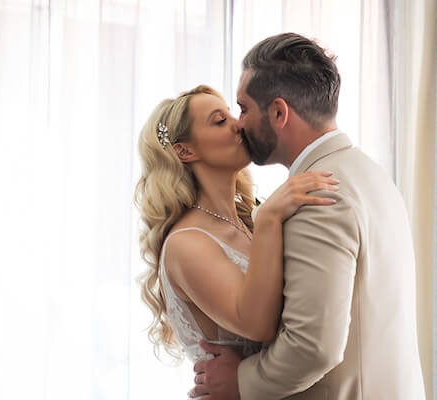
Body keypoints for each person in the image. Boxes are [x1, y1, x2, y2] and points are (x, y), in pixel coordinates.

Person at [189, 33, 426, 399]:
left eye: (244, 108)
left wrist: (240, 381)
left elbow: (313, 347)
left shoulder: (317, 194)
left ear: (279, 113)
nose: (240, 124)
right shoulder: (369, 173)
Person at [134, 85, 338, 378]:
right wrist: (269, 219)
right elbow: (256, 324)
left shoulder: (249, 222)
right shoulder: (186, 244)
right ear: (185, 150)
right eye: (220, 120)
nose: (239, 124)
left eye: (233, 113)